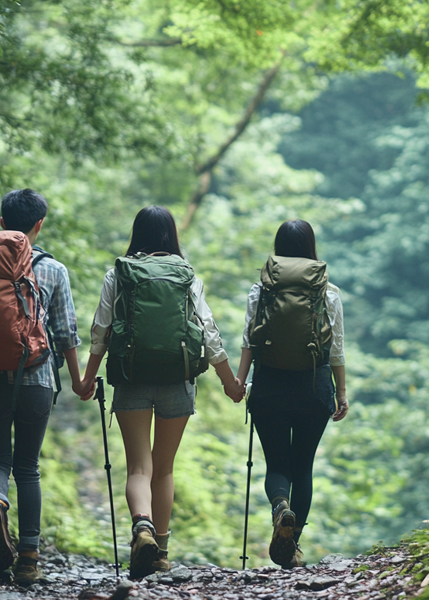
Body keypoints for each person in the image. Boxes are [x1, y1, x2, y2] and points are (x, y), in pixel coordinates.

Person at [80, 205, 243, 579]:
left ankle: (142, 526)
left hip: (132, 376)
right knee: (164, 468)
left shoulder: (118, 274)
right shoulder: (187, 276)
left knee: (139, 465)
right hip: (177, 380)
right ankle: (163, 553)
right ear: (172, 236)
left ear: (137, 234)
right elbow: (210, 334)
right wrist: (228, 381)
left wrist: (88, 378)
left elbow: (100, 331)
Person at [0, 189, 89, 586]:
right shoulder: (54, 271)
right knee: (28, 467)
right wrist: (77, 380)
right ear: (39, 225)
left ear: (3, 224)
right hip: (37, 379)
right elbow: (66, 333)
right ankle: (28, 559)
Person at [234, 219, 348, 569]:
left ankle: (280, 506)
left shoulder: (262, 290)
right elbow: (336, 350)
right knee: (304, 468)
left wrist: (239, 381)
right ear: (311, 250)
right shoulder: (327, 292)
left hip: (269, 385)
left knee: (277, 464)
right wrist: (341, 392)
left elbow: (249, 340)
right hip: (314, 386)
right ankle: (292, 545)